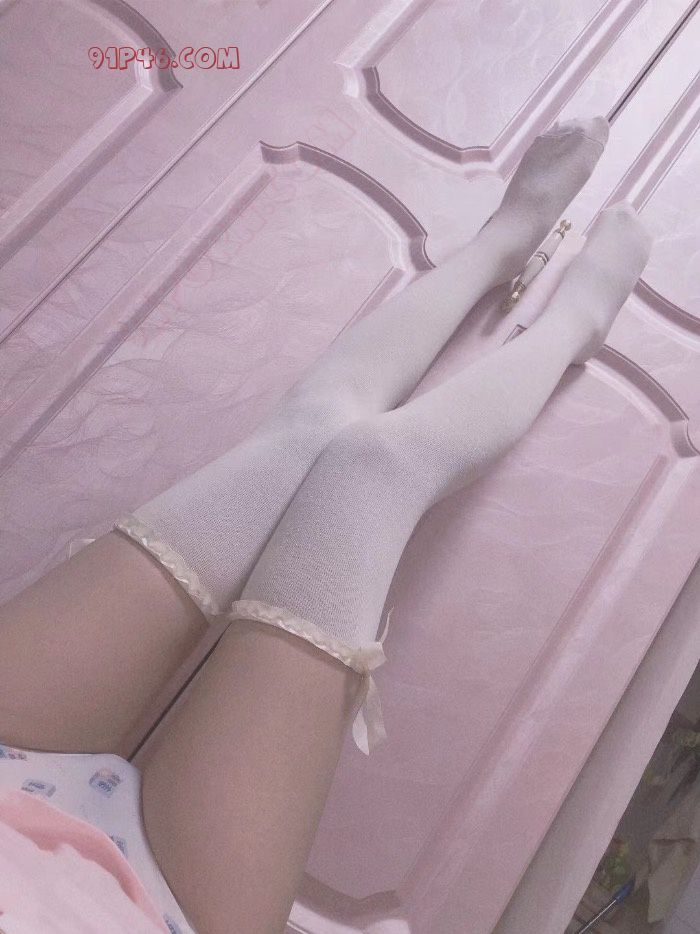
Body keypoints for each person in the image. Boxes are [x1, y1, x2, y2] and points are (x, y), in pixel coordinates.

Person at [0, 116, 652, 933]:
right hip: (164, 909)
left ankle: (501, 244)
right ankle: (570, 327)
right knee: (375, 467)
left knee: (309, 430)